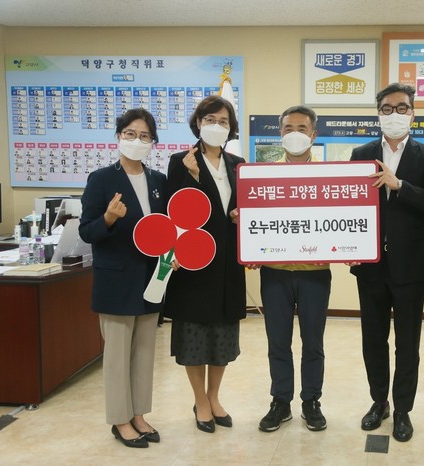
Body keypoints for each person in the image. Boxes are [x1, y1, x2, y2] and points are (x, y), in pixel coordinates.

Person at [350, 83, 424, 442]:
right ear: (378, 114)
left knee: (408, 343)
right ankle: (379, 403)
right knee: (373, 339)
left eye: (401, 108)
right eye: (387, 108)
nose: (394, 114)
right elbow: (349, 204)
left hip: (411, 265)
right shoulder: (361, 153)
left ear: (413, 114)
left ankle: (403, 409)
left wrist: (399, 185)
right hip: (370, 263)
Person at [79, 108, 167, 448]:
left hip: (150, 279)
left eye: (144, 136)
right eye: (130, 133)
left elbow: (166, 228)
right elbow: (87, 232)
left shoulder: (158, 181)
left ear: (152, 141)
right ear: (119, 136)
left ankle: (138, 414)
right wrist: (109, 218)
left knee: (144, 353)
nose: (136, 140)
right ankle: (120, 420)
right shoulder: (101, 179)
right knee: (117, 356)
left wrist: (170, 259)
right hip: (116, 280)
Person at [163, 95, 246, 434]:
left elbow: (244, 208)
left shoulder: (238, 164)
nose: (216, 126)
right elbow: (175, 209)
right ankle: (199, 400)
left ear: (231, 128)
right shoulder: (180, 161)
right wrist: (194, 177)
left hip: (228, 263)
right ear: (198, 123)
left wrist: (241, 216)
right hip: (194, 262)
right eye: (210, 119)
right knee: (195, 336)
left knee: (222, 335)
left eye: (223, 121)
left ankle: (214, 397)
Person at [256, 105, 331, 433]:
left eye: (302, 128)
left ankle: (311, 401)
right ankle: (280, 400)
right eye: (289, 128)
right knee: (278, 341)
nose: (295, 134)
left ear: (314, 135)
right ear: (280, 133)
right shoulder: (262, 176)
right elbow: (254, 219)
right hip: (275, 271)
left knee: (313, 341)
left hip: (315, 271)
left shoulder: (331, 176)